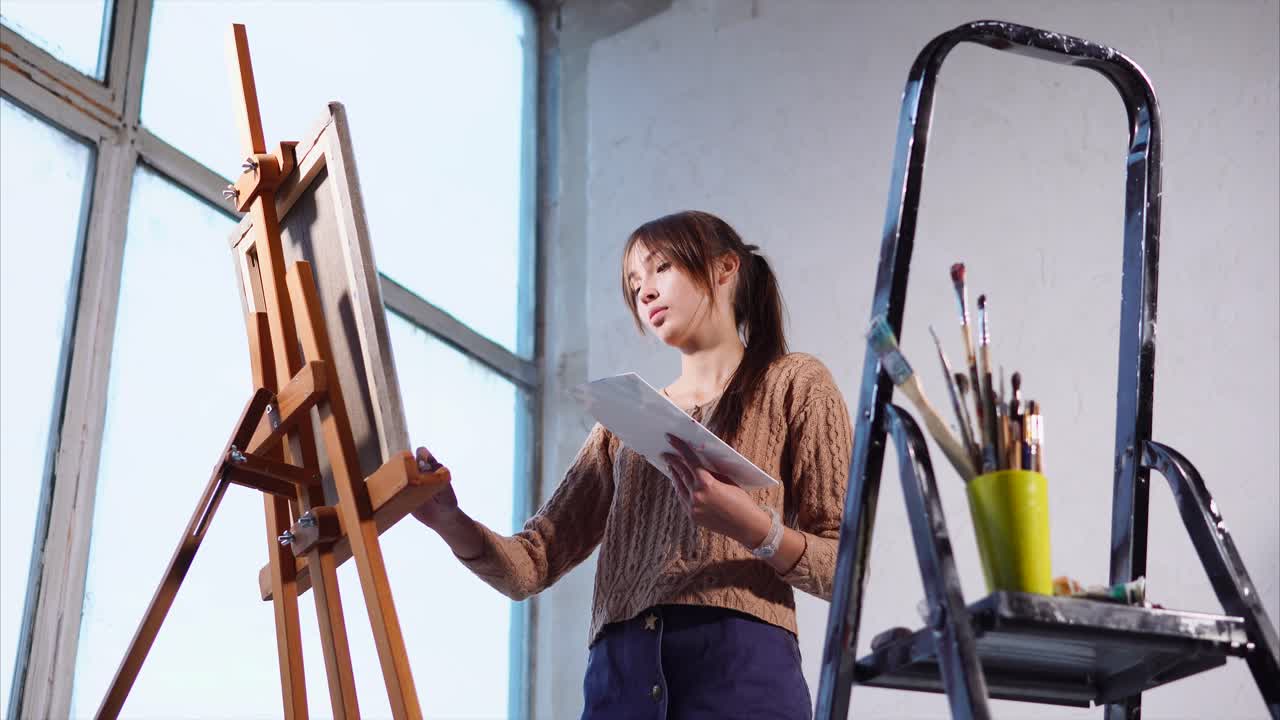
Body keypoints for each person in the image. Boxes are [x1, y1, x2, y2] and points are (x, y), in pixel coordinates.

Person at [413, 210, 852, 719]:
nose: (644, 293)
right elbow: (531, 563)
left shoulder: (795, 383)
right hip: (618, 677)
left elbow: (844, 570)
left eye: (661, 268)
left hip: (739, 669)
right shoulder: (622, 423)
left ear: (725, 268)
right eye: (633, 283)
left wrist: (755, 528)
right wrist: (450, 521)